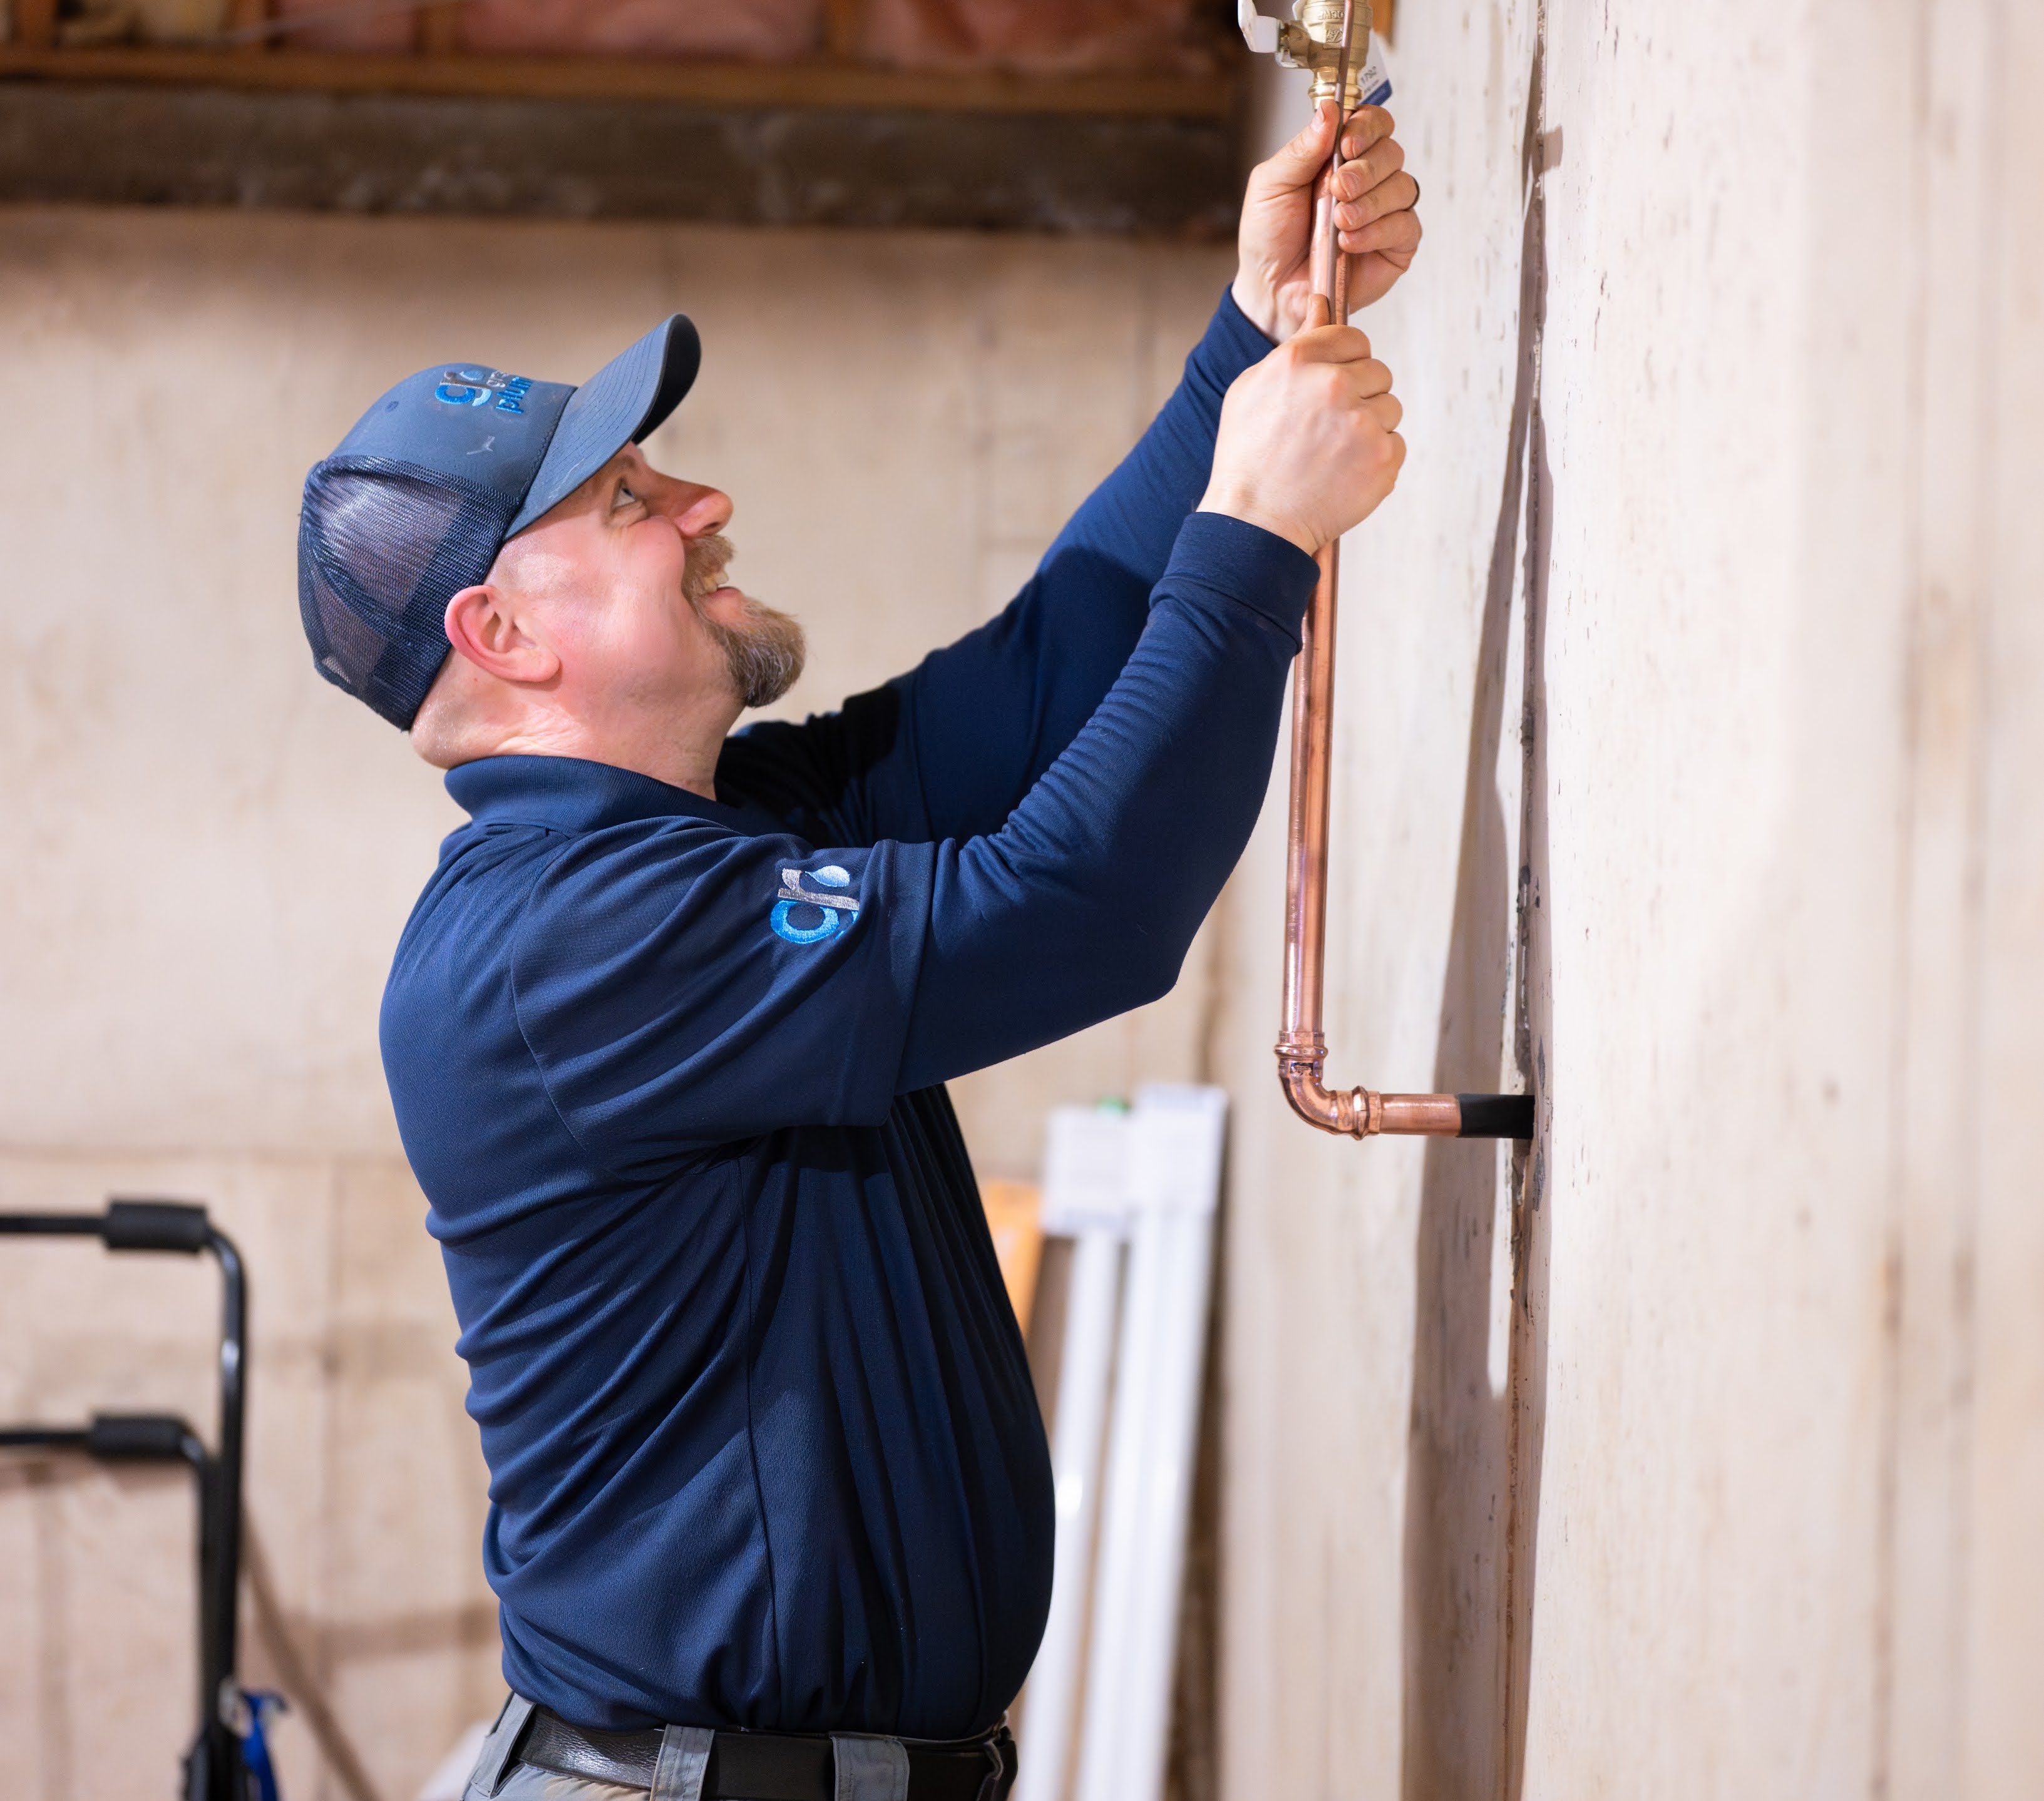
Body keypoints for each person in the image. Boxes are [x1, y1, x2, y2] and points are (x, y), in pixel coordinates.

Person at [297, 101, 1420, 1801]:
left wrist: (1240, 348)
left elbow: (1043, 683)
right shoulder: (561, 945)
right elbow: (1076, 910)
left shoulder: (706, 830)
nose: (700, 502)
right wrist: (1255, 538)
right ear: (502, 633)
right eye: (627, 497)